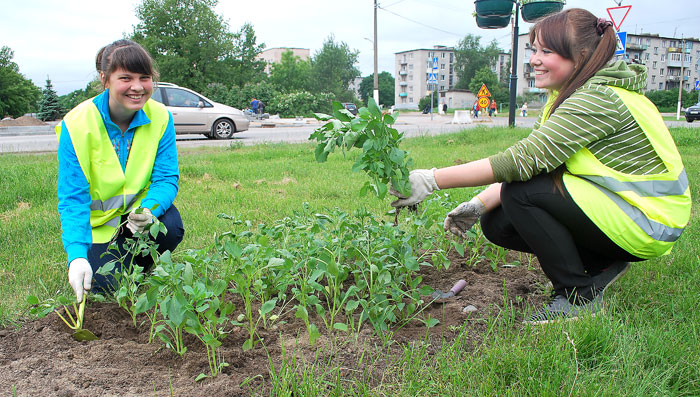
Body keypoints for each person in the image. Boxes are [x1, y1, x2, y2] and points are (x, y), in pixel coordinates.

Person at [389, 9, 691, 324]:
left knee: (521, 193)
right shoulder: (571, 95)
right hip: (628, 211)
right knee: (497, 222)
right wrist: (478, 205)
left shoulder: (597, 100)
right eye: (534, 49)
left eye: (546, 51)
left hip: (648, 221)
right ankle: (600, 263)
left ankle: (579, 296)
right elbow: (536, 164)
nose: (534, 59)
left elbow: (521, 163)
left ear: (582, 56)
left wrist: (432, 179)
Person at [57, 39, 184, 302]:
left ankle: (137, 264)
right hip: (98, 229)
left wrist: (148, 209)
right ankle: (117, 265)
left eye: (145, 78)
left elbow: (166, 178)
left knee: (170, 224)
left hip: (135, 221)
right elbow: (73, 199)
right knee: (108, 287)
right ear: (105, 79)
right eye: (125, 78)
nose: (137, 87)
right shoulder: (78, 124)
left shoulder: (160, 117)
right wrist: (77, 255)